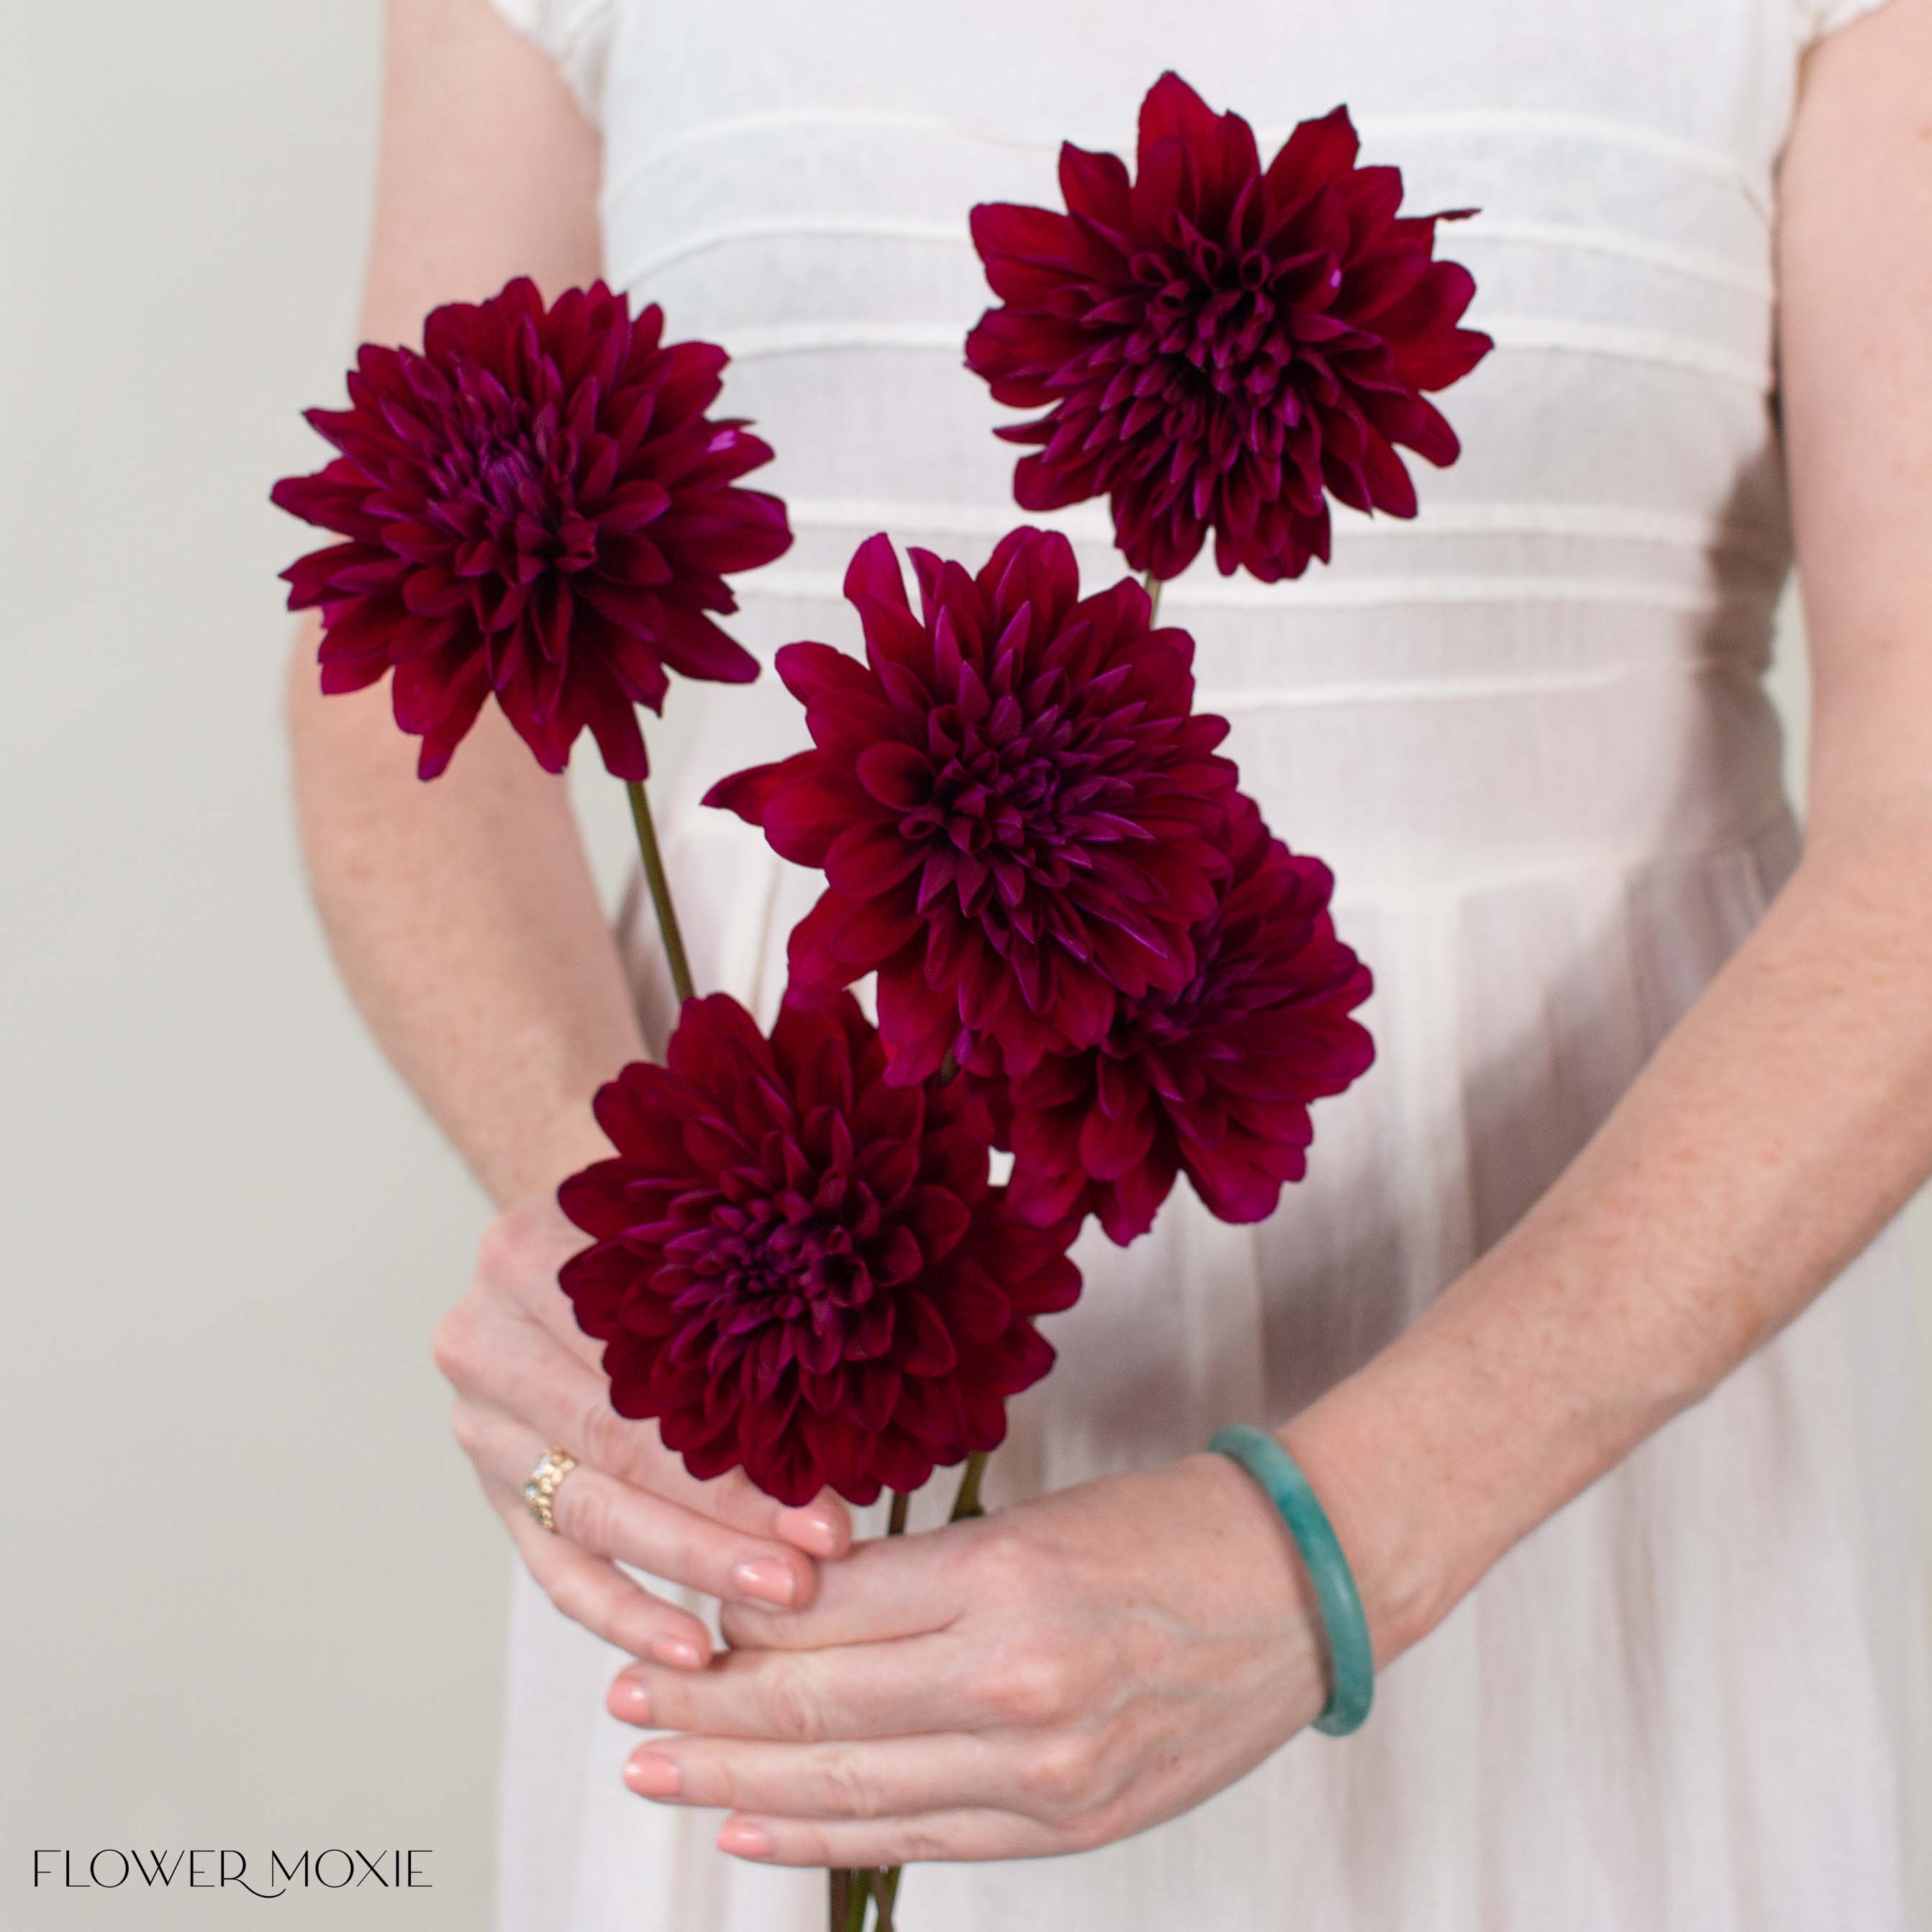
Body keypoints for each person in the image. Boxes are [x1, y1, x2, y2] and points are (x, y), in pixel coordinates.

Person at [287, 0, 1932, 1925]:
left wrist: (1327, 1548)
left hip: (1555, 1464)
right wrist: (644, 1251)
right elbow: (403, 686)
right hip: (800, 1485)